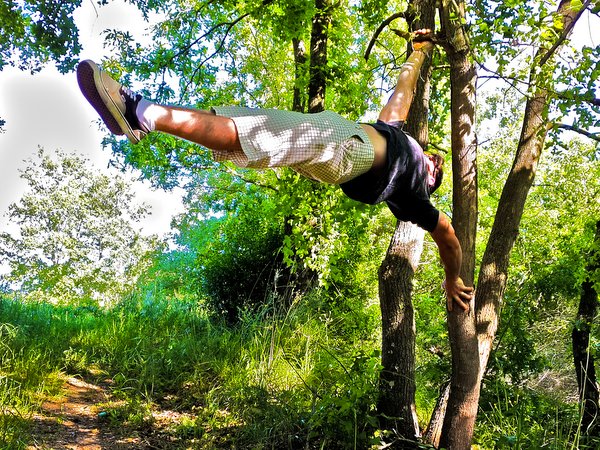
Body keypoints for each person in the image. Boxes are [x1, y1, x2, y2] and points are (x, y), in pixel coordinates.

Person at [77, 30, 474, 312]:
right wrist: (418, 53)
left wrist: (451, 278)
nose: (433, 163)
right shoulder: (396, 141)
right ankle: (142, 115)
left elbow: (449, 236)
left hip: (341, 146)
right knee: (246, 130)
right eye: (434, 160)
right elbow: (400, 97)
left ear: (430, 177)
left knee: (250, 131)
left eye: (435, 169)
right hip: (335, 159)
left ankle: (139, 110)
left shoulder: (413, 193)